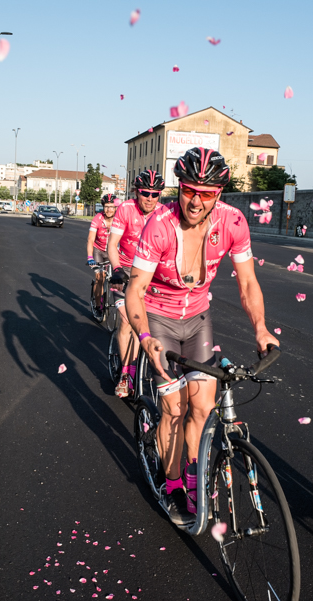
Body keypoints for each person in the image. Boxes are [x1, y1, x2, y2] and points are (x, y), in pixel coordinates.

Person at [125, 148, 278, 524]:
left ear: (220, 193)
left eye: (207, 193)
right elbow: (134, 289)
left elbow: (247, 282)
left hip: (197, 319)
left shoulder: (233, 222)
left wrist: (261, 328)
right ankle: (173, 482)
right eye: (190, 190)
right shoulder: (159, 225)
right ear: (179, 187)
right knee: (173, 410)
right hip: (158, 318)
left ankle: (193, 475)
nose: (196, 201)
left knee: (203, 407)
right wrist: (144, 337)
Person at [107, 170, 165, 398]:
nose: (150, 198)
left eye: (155, 193)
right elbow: (113, 245)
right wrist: (117, 269)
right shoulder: (126, 209)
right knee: (126, 321)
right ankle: (125, 373)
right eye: (145, 193)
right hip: (126, 270)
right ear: (136, 192)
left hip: (151, 273)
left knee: (152, 324)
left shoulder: (163, 212)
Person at [86, 194, 118, 313]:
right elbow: (90, 239)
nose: (108, 210)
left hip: (113, 251)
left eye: (111, 207)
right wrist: (90, 257)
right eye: (106, 206)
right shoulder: (97, 219)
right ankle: (98, 304)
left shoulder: (119, 220)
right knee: (100, 278)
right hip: (98, 251)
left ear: (116, 208)